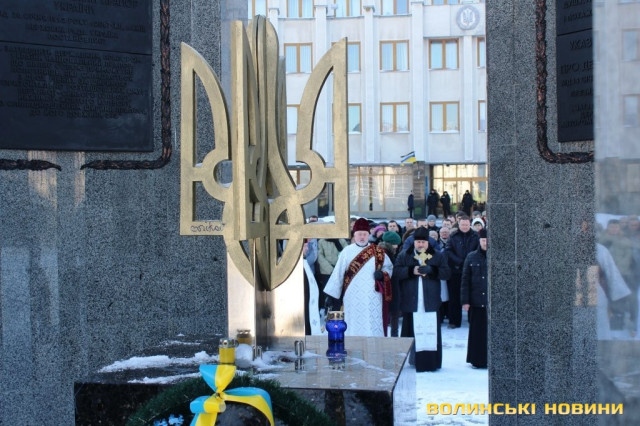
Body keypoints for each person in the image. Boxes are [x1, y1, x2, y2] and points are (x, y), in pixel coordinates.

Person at [324, 218, 393, 336]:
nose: (362, 237)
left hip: (372, 296)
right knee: (353, 325)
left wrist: (382, 275)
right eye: (359, 234)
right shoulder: (346, 251)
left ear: (369, 235)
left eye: (364, 234)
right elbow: (338, 274)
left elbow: (389, 268)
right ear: (354, 235)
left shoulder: (378, 252)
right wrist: (331, 295)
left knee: (372, 325)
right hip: (352, 296)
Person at [394, 226, 450, 372]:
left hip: (430, 300)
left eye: (423, 242)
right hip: (412, 300)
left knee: (431, 332)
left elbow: (446, 273)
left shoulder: (437, 255)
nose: (420, 245)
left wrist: (432, 270)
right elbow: (396, 272)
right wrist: (410, 271)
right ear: (413, 242)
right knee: (412, 331)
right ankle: (412, 360)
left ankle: (432, 362)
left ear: (428, 242)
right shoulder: (404, 255)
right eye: (418, 242)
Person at [461, 228, 488, 368]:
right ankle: (477, 360)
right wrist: (465, 301)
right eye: (483, 240)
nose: (485, 243)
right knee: (477, 333)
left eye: (487, 240)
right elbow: (465, 280)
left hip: (491, 303)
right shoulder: (471, 257)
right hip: (476, 301)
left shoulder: (498, 256)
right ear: (479, 241)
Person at [445, 216, 479, 329]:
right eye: (462, 225)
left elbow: (478, 250)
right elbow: (448, 251)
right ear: (459, 225)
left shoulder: (475, 236)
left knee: (473, 296)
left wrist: (470, 261)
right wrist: (460, 261)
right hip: (456, 270)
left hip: (472, 270)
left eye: (466, 225)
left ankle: (472, 320)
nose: (464, 227)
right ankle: (454, 321)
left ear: (470, 225)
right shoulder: (453, 236)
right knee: (454, 297)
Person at [379, 231, 403, 337]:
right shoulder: (385, 254)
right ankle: (393, 335)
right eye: (396, 244)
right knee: (393, 313)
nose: (397, 246)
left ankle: (392, 334)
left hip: (390, 286)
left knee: (392, 313)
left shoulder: (386, 252)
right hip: (388, 287)